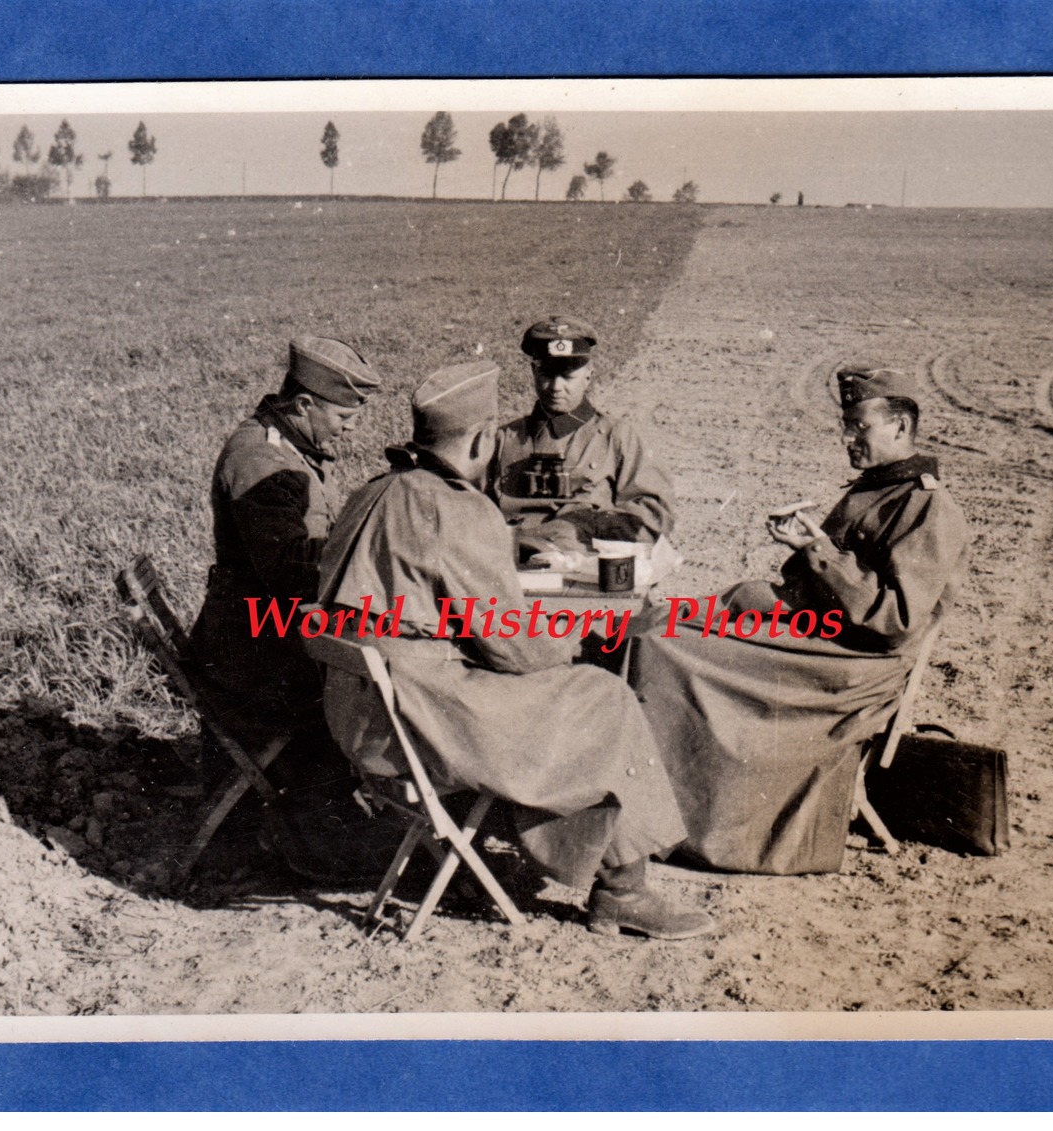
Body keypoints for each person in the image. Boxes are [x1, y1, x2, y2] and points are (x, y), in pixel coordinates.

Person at [316, 359, 714, 939]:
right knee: (603, 696)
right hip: (422, 723)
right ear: (481, 439)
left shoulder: (373, 492)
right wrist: (577, 637)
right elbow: (516, 648)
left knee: (559, 701)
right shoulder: (454, 507)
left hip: (360, 716)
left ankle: (556, 851)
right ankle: (622, 891)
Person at [630, 363, 973, 875]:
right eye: (846, 424)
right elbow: (831, 584)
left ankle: (664, 822)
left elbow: (892, 619)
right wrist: (807, 548)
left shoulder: (928, 507)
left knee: (662, 646)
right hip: (821, 643)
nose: (846, 437)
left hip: (850, 669)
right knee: (655, 623)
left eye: (860, 426)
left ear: (900, 427)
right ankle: (649, 810)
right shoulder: (879, 489)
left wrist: (819, 550)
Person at [188, 335, 382, 877]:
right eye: (342, 415)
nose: (349, 427)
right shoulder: (263, 462)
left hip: (254, 637)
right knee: (367, 677)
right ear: (303, 404)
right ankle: (316, 837)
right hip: (251, 654)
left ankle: (328, 815)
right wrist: (372, 552)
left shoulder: (285, 448)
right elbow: (289, 570)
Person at [492, 316, 675, 554]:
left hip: (587, 563)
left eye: (568, 377)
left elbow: (653, 515)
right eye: (547, 374)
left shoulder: (616, 437)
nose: (556, 387)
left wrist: (587, 526)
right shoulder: (503, 439)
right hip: (508, 560)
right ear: (534, 372)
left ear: (588, 375)